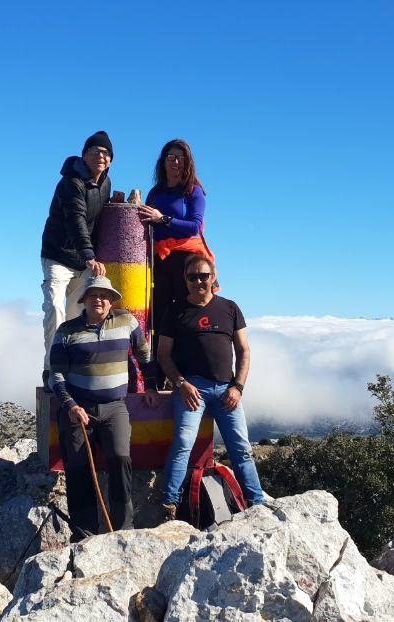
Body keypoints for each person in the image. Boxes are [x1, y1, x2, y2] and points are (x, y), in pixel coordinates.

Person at [49, 275, 159, 538]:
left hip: (115, 407)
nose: (99, 299)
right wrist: (71, 406)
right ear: (84, 300)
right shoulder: (67, 330)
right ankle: (83, 533)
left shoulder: (127, 321)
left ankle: (122, 530)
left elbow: (144, 355)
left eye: (104, 295)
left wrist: (152, 385)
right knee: (78, 469)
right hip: (78, 409)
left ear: (112, 301)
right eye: (93, 295)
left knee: (121, 461)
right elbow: (56, 375)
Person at [156, 255, 264, 518]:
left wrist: (238, 387)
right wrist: (181, 383)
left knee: (240, 447)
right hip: (192, 389)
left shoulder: (229, 308)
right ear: (185, 279)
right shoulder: (175, 310)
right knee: (183, 442)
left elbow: (244, 351)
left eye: (203, 276)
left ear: (213, 277)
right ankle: (169, 504)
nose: (198, 281)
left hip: (227, 389)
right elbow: (163, 355)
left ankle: (257, 503)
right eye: (192, 277)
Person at [41, 131, 114, 381]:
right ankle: (52, 370)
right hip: (58, 255)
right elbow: (76, 218)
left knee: (74, 317)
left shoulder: (106, 184)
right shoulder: (71, 182)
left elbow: (100, 220)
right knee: (55, 310)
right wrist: (89, 255)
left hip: (84, 259)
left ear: (111, 160)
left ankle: (70, 366)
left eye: (105, 153)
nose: (100, 157)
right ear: (84, 156)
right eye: (95, 151)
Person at [136, 139, 215, 366]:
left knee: (184, 311)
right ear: (163, 162)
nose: (175, 162)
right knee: (159, 314)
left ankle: (186, 366)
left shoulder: (193, 191)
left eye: (180, 157)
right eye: (170, 157)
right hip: (159, 260)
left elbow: (195, 227)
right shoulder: (156, 192)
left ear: (188, 162)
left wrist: (164, 219)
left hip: (185, 260)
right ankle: (160, 371)